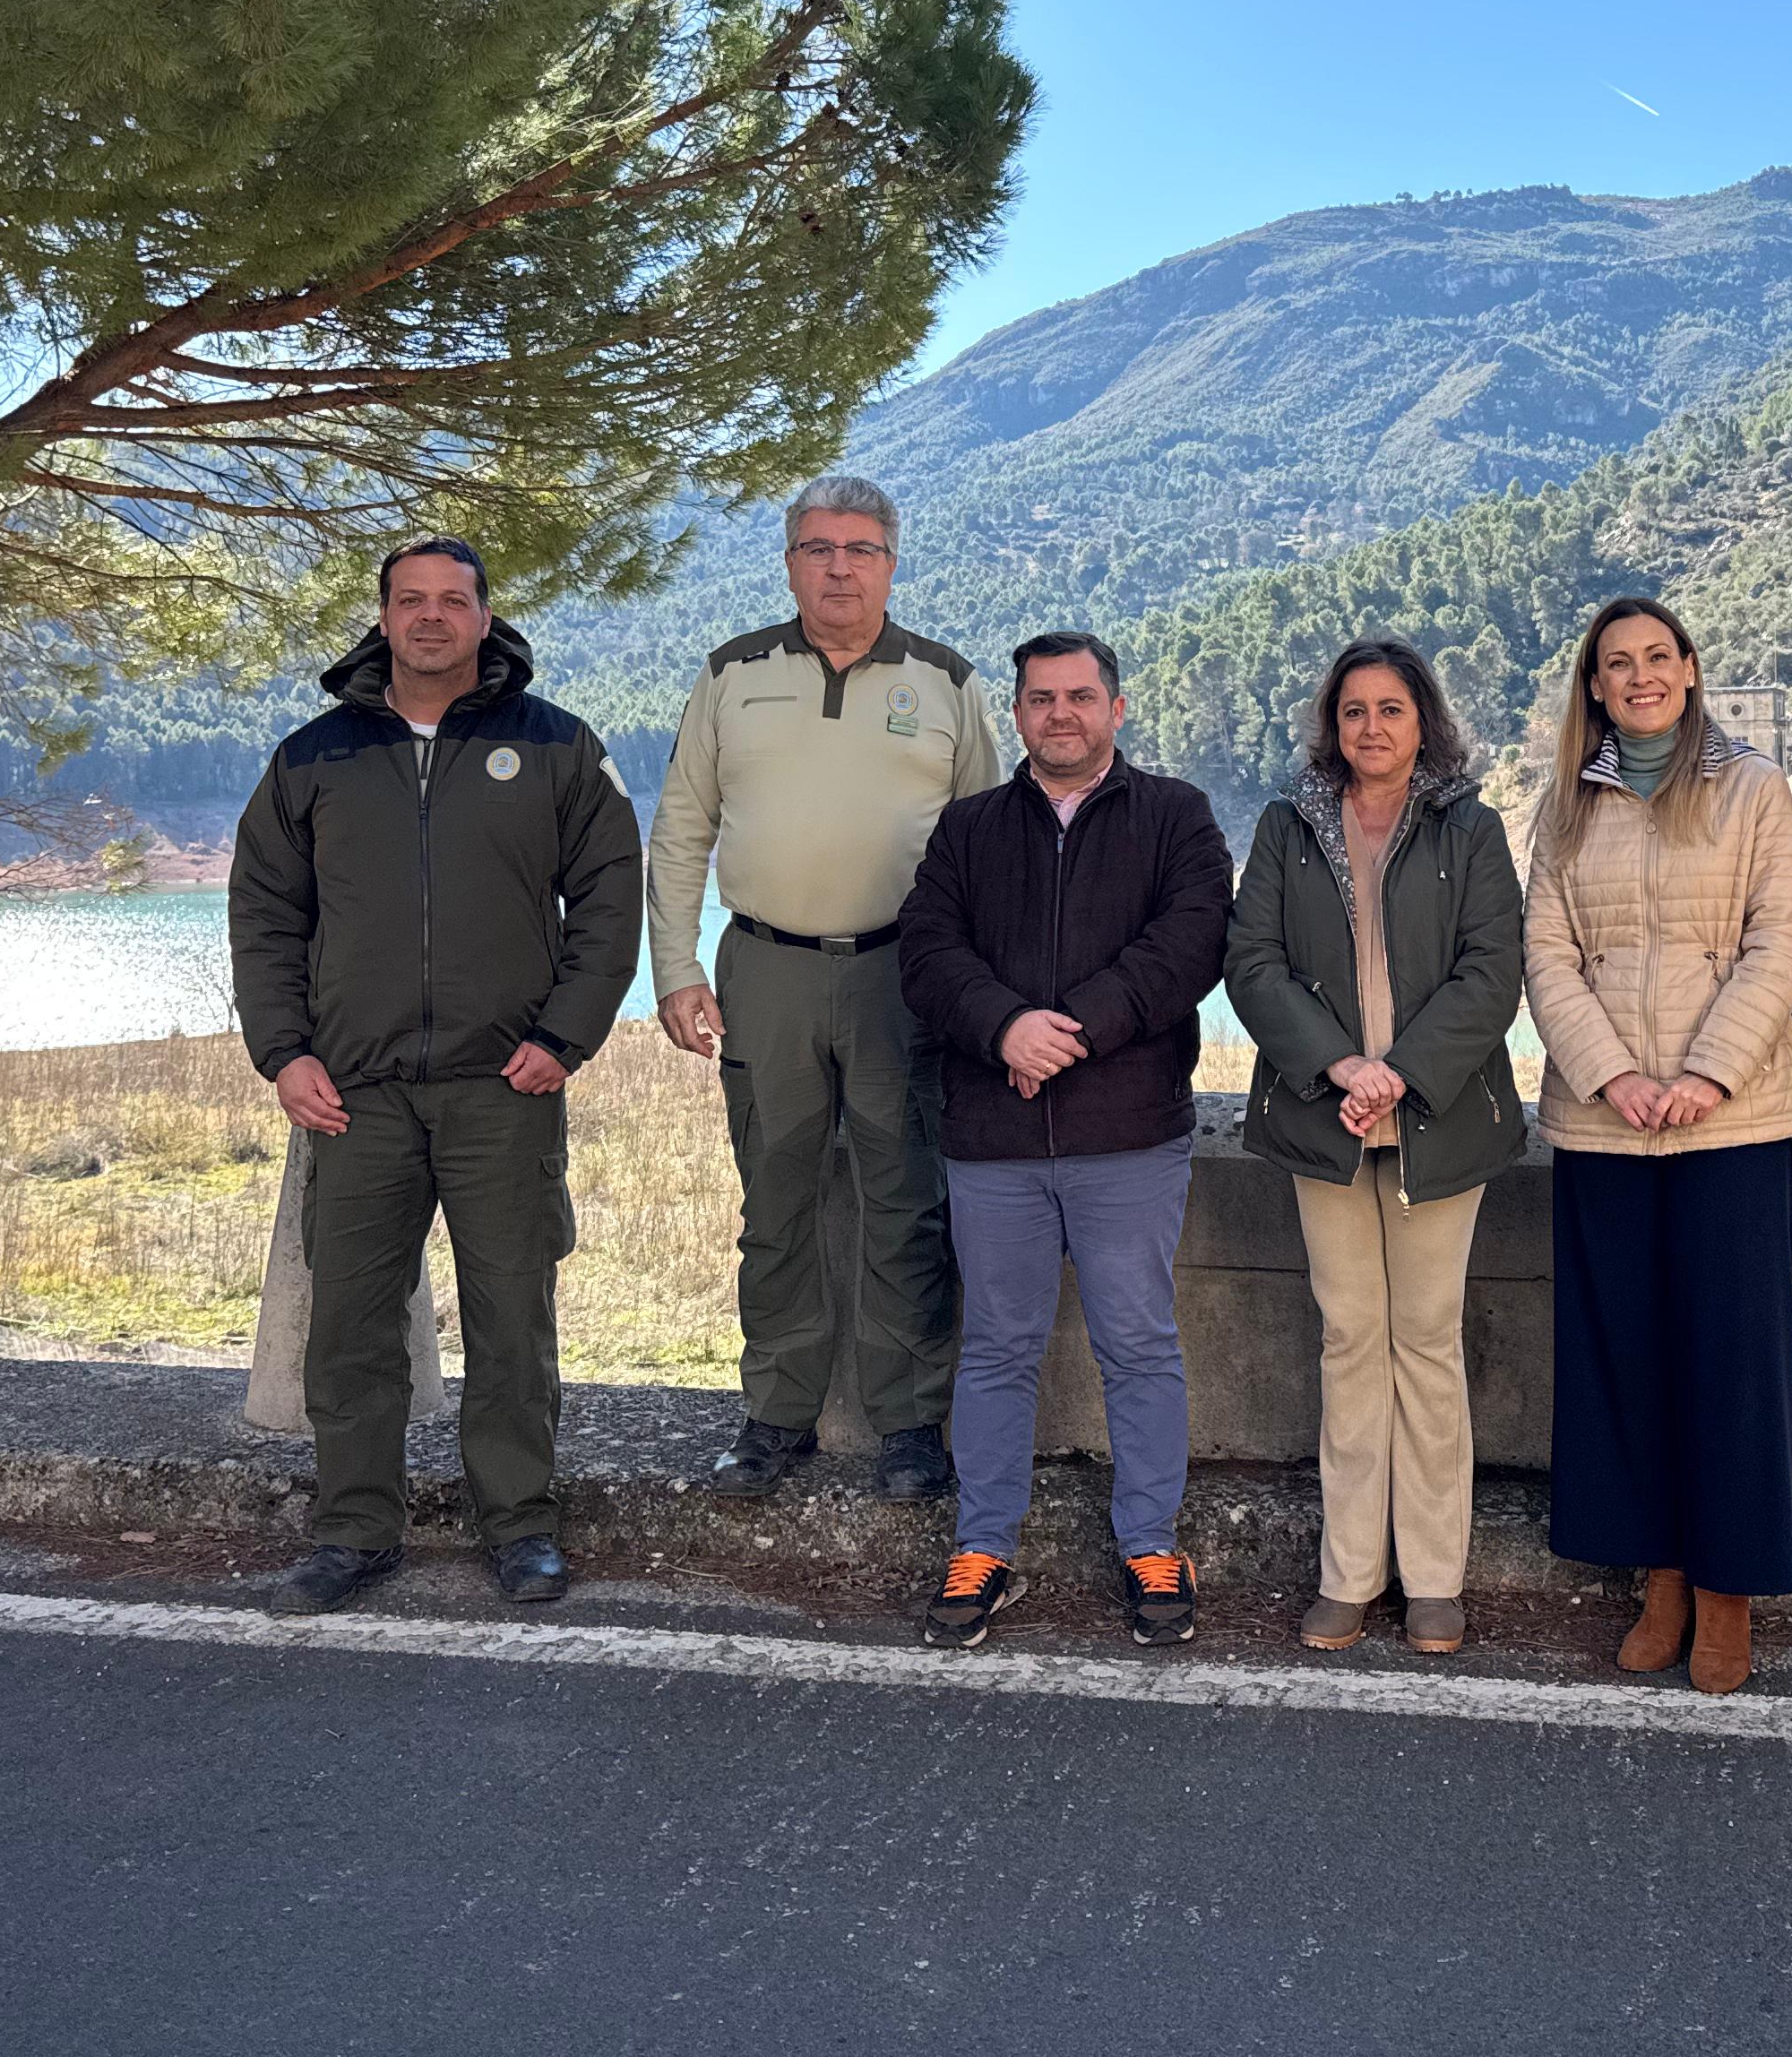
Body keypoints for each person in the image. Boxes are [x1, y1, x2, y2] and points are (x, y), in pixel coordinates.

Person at [229, 538, 642, 1614]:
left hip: (504, 1089)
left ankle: (521, 1526)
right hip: (352, 1093)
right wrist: (285, 1053)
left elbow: (609, 899)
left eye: (451, 600)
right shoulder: (314, 758)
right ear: (381, 617)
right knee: (351, 1321)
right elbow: (266, 916)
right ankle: (355, 1531)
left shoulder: (555, 748)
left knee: (512, 1314)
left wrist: (566, 1035)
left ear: (483, 616)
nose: (429, 618)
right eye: (409, 600)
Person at [645, 475, 1001, 1505]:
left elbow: (989, 846)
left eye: (859, 548)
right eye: (817, 548)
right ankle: (775, 1414)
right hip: (765, 967)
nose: (839, 566)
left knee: (907, 1199)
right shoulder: (732, 675)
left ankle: (908, 1424)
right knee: (777, 1198)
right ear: (790, 561)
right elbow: (679, 834)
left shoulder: (946, 682)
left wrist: (980, 992)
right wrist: (673, 969)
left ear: (892, 562)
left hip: (909, 972)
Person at [896, 633, 1234, 1649]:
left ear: (1117, 709)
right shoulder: (967, 830)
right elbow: (925, 951)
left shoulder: (1178, 817)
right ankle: (984, 1544)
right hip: (992, 1137)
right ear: (1018, 714)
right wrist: (1004, 1027)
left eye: (1081, 697)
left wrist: (1067, 1031)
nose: (1061, 715)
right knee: (996, 1348)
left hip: (1127, 1131)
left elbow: (1187, 947)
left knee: (1139, 1344)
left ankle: (1149, 1543)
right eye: (1041, 699)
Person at [1522, 596, 1792, 1695]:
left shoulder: (1751, 789)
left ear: (1691, 671)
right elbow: (1546, 956)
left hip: (1731, 1121)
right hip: (1604, 1123)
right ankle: (1660, 1579)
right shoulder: (1564, 807)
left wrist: (1704, 1074)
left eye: (1658, 657)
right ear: (1593, 686)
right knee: (1623, 1359)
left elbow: (1779, 938)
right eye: (1616, 664)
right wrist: (1615, 1076)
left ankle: (1729, 1593)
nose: (1639, 676)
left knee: (1732, 1364)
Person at [1225, 641, 1526, 1655]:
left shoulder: (1470, 828)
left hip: (1438, 1116)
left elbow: (1494, 972)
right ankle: (1350, 1572)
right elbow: (1251, 963)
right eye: (1353, 711)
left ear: (1423, 721)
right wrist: (1342, 1069)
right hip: (1328, 1118)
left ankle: (1436, 1576)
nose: (1372, 728)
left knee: (1428, 1343)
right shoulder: (1285, 826)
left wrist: (1400, 1071)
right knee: (1352, 1341)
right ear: (1332, 725)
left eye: (1391, 709)